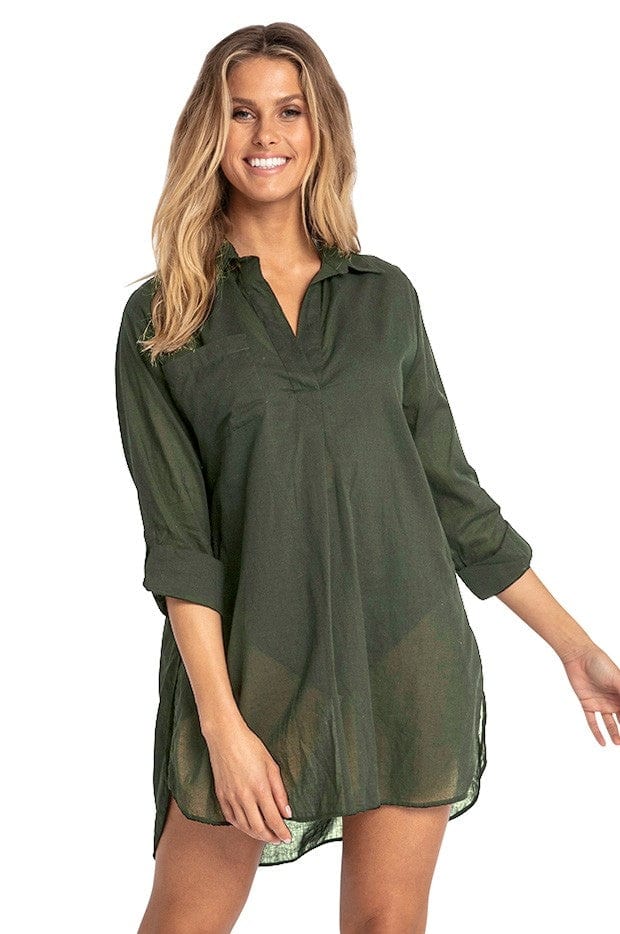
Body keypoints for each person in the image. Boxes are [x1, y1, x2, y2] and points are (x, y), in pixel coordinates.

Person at [114, 21, 620, 934]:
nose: (266, 135)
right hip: (252, 665)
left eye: (289, 111)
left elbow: (455, 500)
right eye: (241, 113)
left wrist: (576, 650)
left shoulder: (384, 296)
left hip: (403, 652)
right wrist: (222, 727)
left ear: (321, 130)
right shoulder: (166, 315)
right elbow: (179, 543)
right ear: (209, 132)